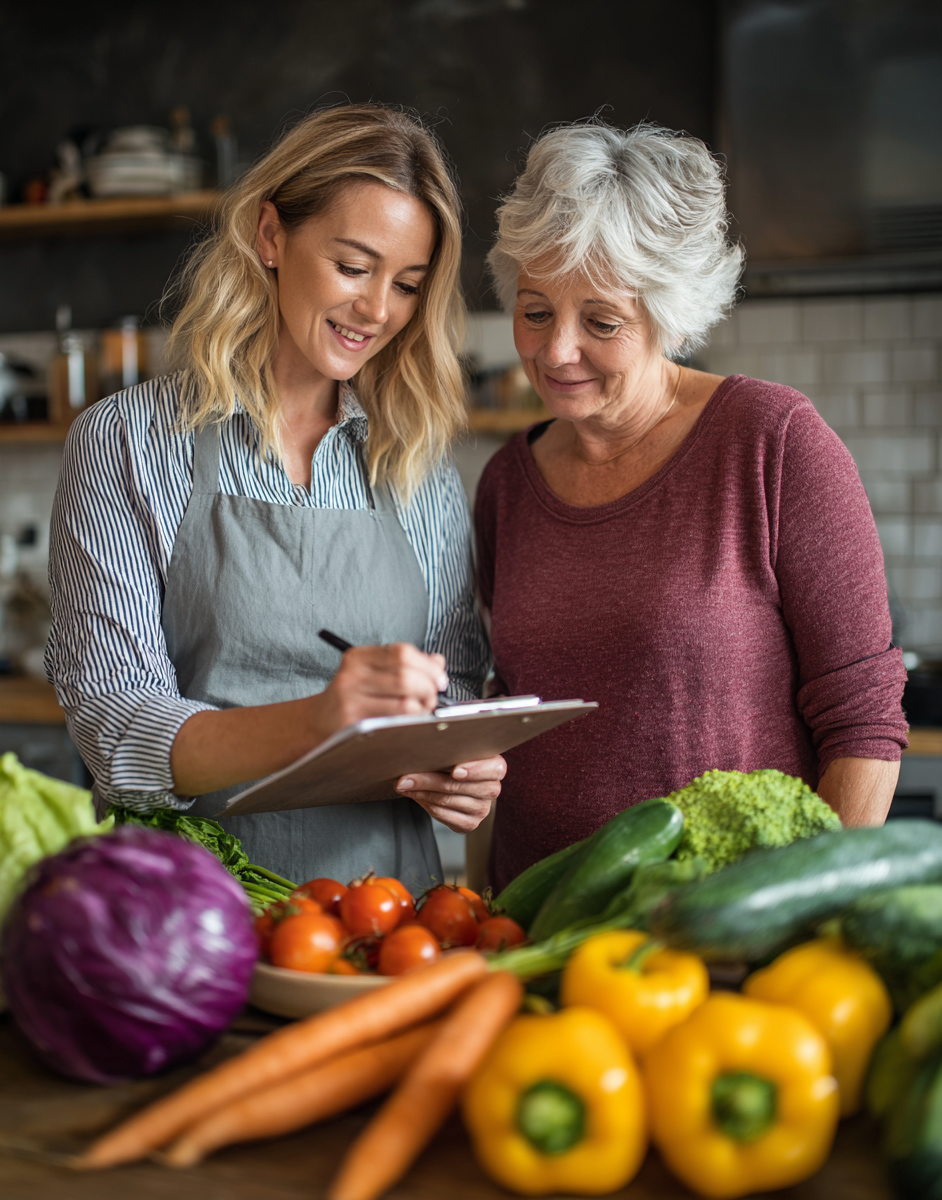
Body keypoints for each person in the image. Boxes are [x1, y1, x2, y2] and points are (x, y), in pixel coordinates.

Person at [46, 104, 504, 893]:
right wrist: (321, 720)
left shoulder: (416, 464)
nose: (377, 311)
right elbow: (116, 729)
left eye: (406, 285)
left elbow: (453, 682)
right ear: (270, 237)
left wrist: (456, 764)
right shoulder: (128, 441)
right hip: (186, 911)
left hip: (386, 918)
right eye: (353, 267)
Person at [474, 121, 908, 891]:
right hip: (532, 930)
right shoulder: (508, 483)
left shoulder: (772, 444)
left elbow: (864, 723)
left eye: (600, 322)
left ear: (670, 315)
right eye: (535, 311)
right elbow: (497, 725)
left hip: (717, 941)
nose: (555, 350)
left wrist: (791, 910)